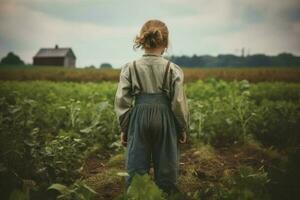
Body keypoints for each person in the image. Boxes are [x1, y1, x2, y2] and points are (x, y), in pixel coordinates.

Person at [114, 19, 189, 195]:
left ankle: (138, 195)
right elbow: (178, 102)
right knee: (166, 168)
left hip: (139, 118)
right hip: (165, 118)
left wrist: (125, 127)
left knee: (136, 168)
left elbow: (122, 101)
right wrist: (181, 127)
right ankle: (165, 195)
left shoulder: (130, 68)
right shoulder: (172, 69)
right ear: (165, 43)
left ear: (143, 41)